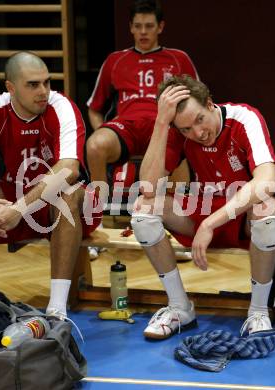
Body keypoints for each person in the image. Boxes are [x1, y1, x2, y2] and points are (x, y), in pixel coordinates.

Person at [0, 51, 99, 318]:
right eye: (33, 85)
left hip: (63, 208)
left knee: (68, 194)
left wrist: (18, 210)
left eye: (47, 82)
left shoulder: (62, 107)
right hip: (16, 201)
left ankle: (56, 311)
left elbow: (69, 170)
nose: (44, 91)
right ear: (10, 88)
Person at [130, 75, 275, 339]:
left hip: (242, 215)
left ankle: (258, 312)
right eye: (186, 129)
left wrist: (210, 223)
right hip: (204, 207)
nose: (198, 133)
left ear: (211, 104)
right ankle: (180, 307)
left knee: (265, 208)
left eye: (200, 120)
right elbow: (147, 186)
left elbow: (266, 181)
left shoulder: (244, 117)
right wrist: (161, 123)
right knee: (144, 208)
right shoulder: (177, 130)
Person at [86, 0, 199, 258]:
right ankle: (95, 228)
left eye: (149, 26)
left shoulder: (178, 58)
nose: (144, 32)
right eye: (138, 26)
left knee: (180, 152)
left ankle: (176, 232)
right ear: (131, 28)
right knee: (94, 145)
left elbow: (197, 99)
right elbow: (94, 107)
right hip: (127, 127)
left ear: (160, 27)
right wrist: (103, 128)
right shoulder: (115, 60)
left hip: (164, 126)